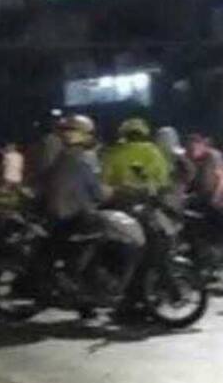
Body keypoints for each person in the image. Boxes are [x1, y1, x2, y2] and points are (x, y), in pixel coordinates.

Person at [39, 115, 110, 301]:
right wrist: (110, 194)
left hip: (56, 214)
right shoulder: (83, 159)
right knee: (101, 234)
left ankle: (84, 298)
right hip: (73, 215)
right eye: (88, 133)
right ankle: (72, 275)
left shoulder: (60, 156)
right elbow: (97, 193)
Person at [100, 118, 171, 197]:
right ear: (144, 134)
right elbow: (163, 180)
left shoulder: (113, 154)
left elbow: (105, 183)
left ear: (124, 135)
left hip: (122, 199)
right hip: (151, 198)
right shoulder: (155, 152)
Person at [156, 126, 195, 195]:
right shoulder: (156, 153)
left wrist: (183, 183)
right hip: (162, 187)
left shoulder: (178, 153)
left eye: (165, 137)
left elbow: (189, 170)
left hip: (175, 188)